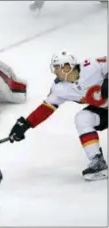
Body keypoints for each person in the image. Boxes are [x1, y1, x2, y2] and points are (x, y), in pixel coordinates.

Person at [8, 51, 108, 181]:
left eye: (57, 67)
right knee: (82, 118)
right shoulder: (59, 88)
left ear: (67, 67)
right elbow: (46, 107)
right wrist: (26, 124)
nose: (55, 71)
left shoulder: (93, 65)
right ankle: (98, 163)